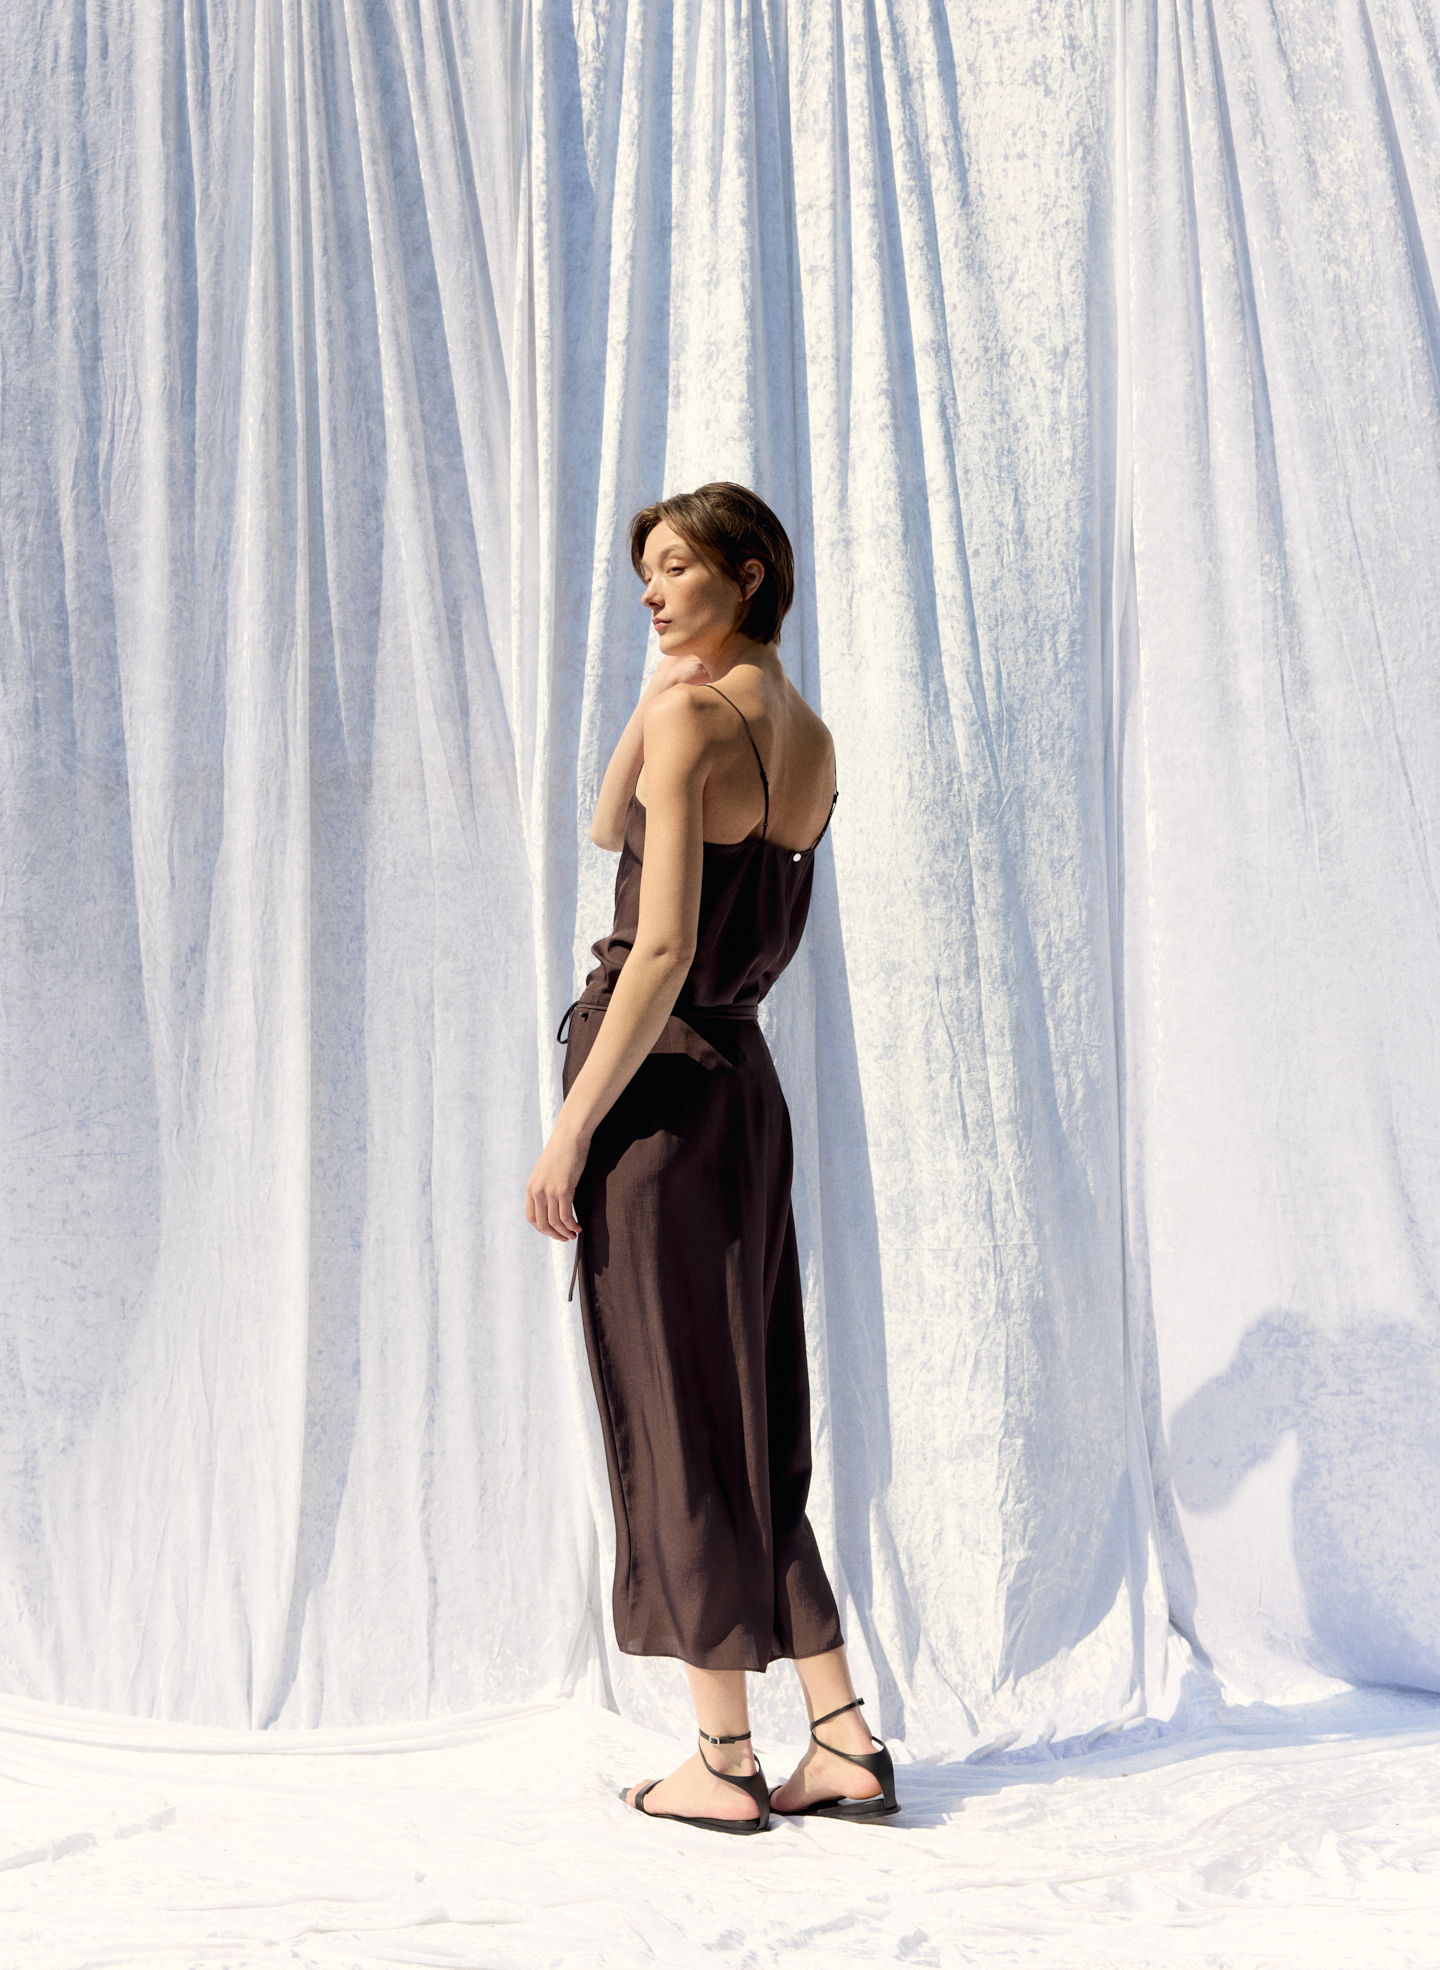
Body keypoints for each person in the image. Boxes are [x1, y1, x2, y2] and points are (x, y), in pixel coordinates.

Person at [527, 482, 898, 1834]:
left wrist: (572, 1128)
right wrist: (664, 684)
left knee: (682, 1415)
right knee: (759, 1409)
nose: (650, 590)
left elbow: (666, 942)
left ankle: (725, 1757)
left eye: (674, 568)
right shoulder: (806, 734)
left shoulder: (695, 720)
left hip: (662, 1097)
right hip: (745, 1092)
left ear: (746, 573)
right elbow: (605, 817)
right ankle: (844, 1736)